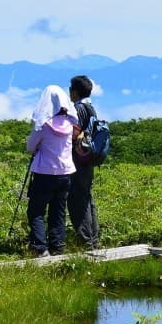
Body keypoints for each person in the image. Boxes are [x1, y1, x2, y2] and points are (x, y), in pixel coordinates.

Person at [24, 85, 77, 257]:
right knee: (58, 212)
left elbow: (30, 147)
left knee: (36, 211)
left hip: (44, 173)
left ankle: (40, 249)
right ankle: (58, 247)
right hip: (65, 173)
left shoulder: (43, 125)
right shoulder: (70, 123)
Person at [67, 75, 100, 249]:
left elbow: (73, 134)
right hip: (88, 157)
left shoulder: (78, 109)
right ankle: (93, 239)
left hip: (77, 159)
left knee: (77, 198)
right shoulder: (91, 107)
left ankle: (85, 242)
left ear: (75, 92)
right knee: (86, 197)